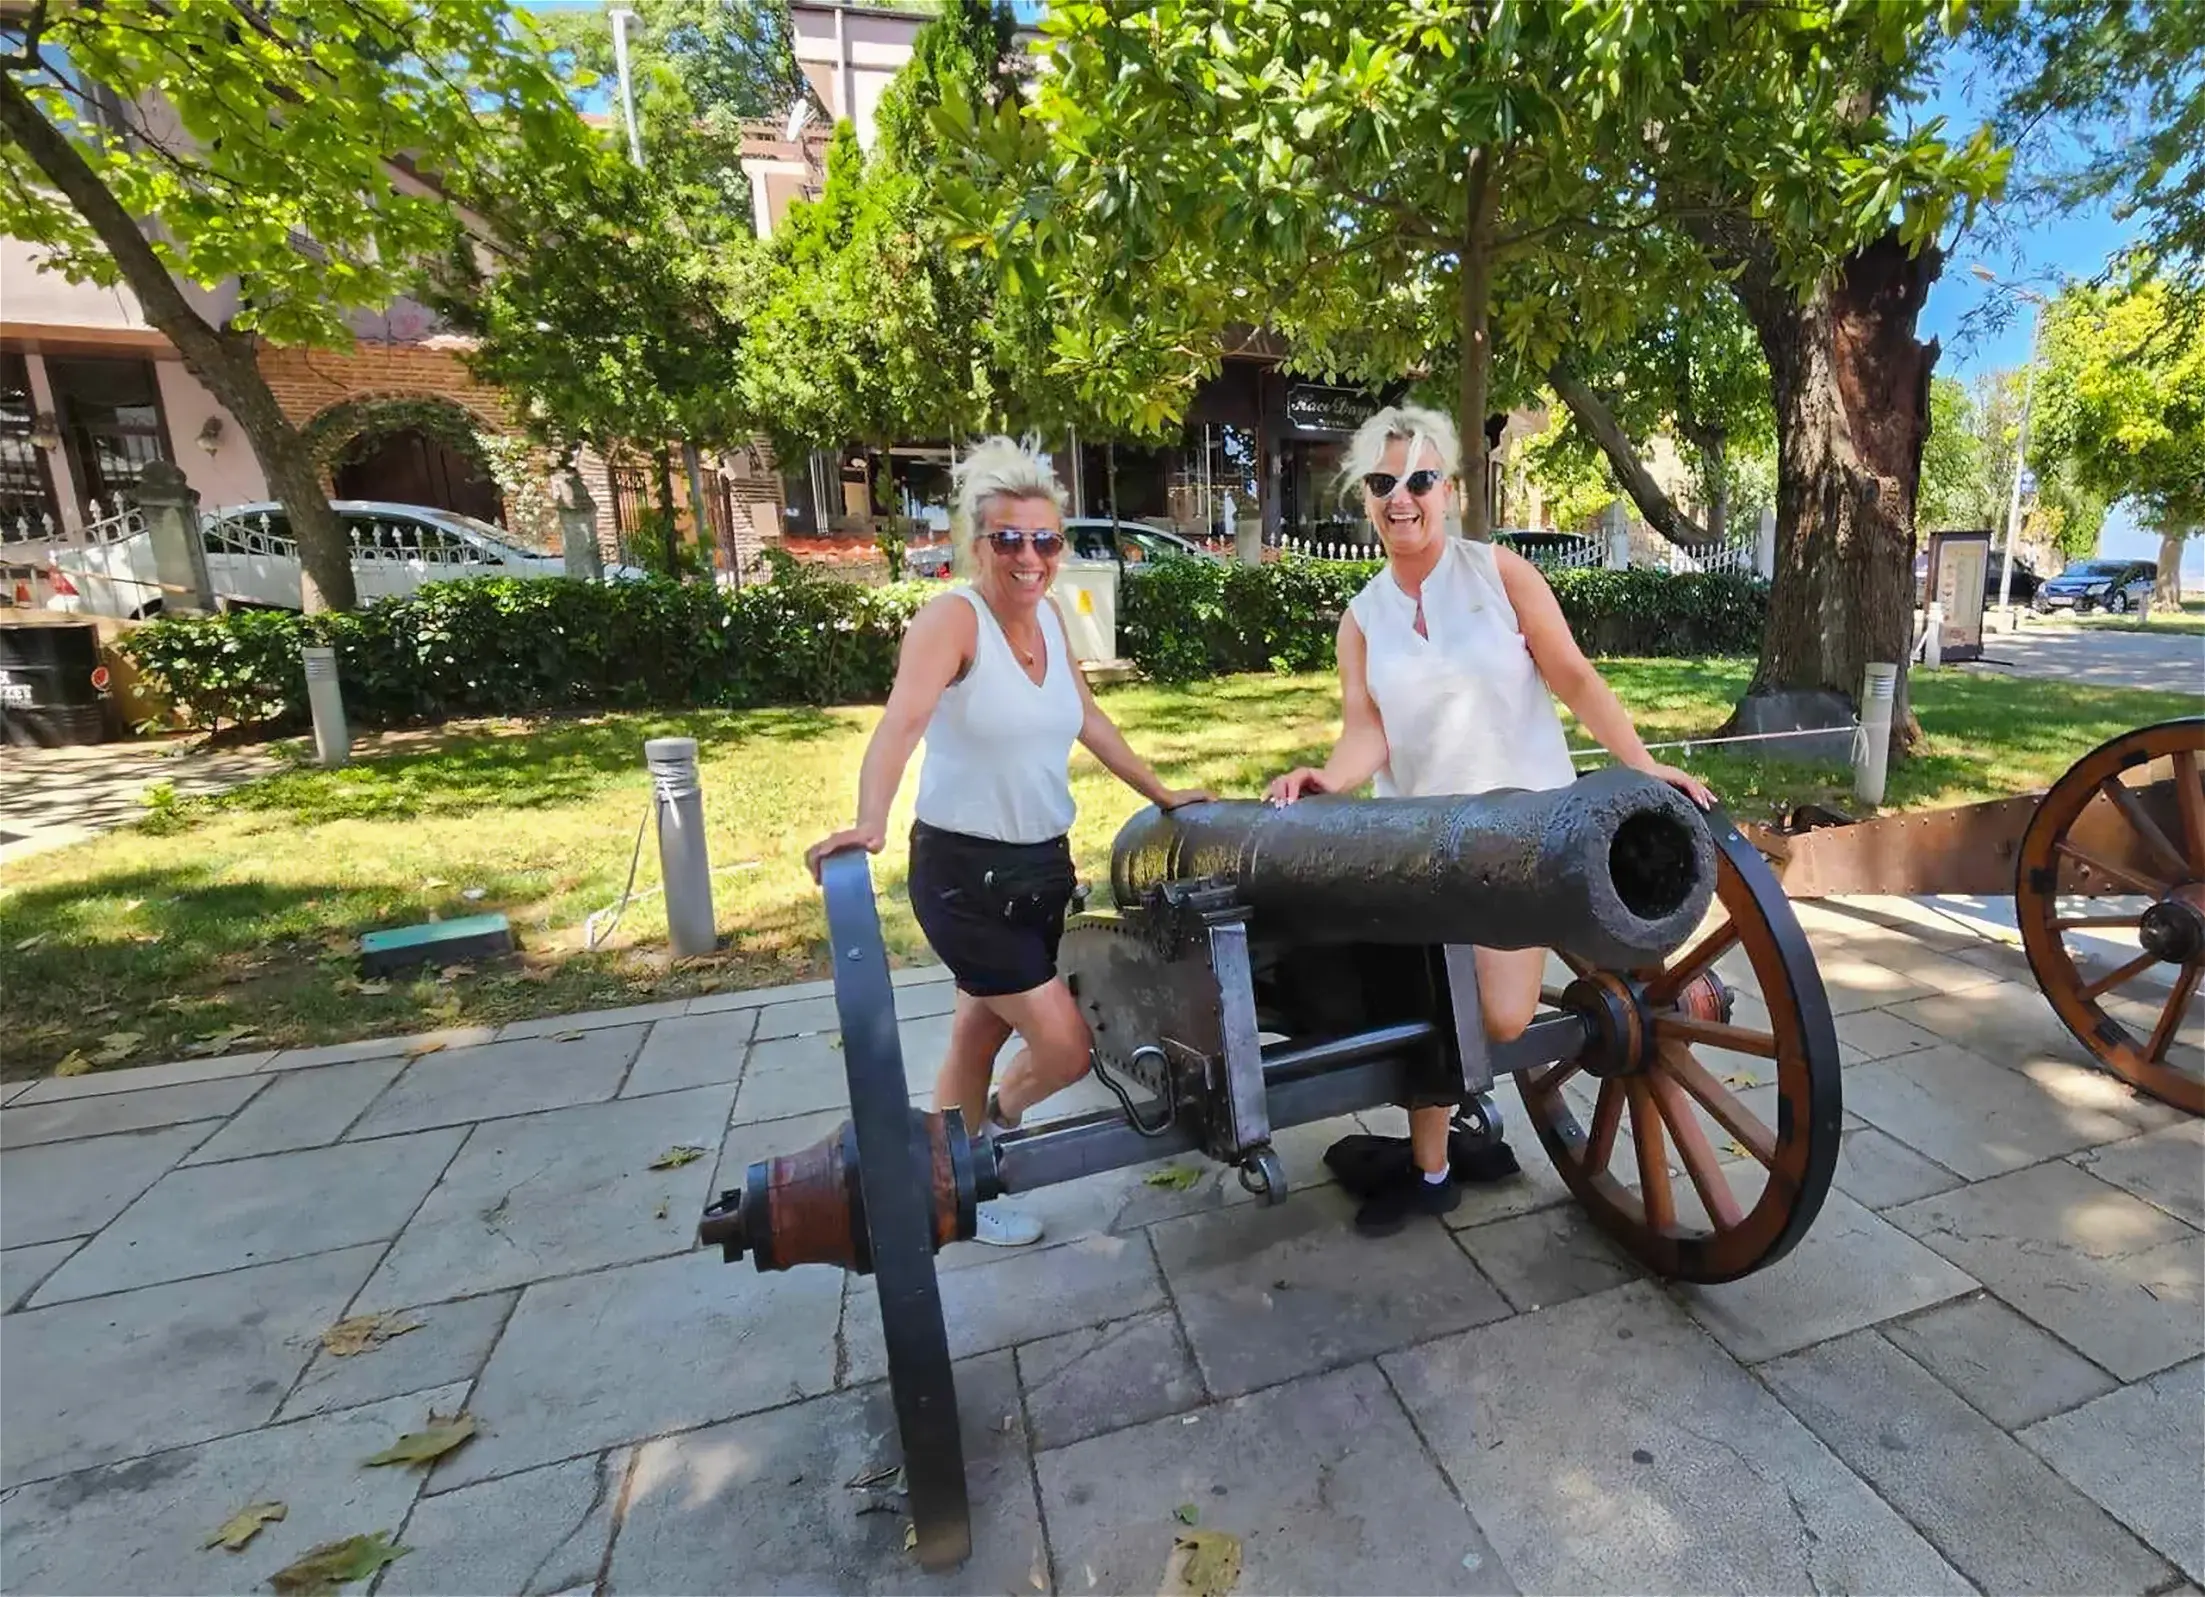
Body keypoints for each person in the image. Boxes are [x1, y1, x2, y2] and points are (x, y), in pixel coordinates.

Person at [1266, 403, 1714, 1236]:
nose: (1401, 498)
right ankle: (1430, 1166)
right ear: (1364, 498)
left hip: (1521, 835)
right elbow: (1368, 728)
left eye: (1419, 480)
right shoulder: (1361, 618)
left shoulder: (1500, 574)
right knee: (1427, 1001)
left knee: (1501, 1020)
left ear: (1450, 490)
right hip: (1421, 842)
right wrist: (1326, 776)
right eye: (1381, 483)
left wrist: (1641, 766)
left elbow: (1573, 676)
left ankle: (1451, 1123)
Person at [807, 436, 1213, 1246]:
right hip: (962, 875)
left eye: (1045, 540)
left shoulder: (1052, 621)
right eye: (1007, 539)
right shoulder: (951, 620)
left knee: (976, 1030)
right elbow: (902, 723)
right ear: (975, 542)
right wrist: (869, 818)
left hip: (1040, 869)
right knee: (1064, 1047)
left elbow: (1088, 719)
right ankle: (979, 1145)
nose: (1029, 557)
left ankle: (948, 1183)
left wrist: (1163, 791)